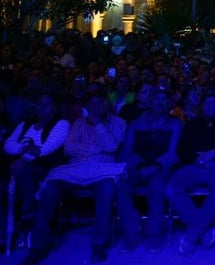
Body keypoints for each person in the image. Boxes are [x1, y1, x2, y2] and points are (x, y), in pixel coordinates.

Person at [23, 85, 127, 265]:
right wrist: (96, 149)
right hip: (75, 168)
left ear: (107, 103)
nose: (96, 106)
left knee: (108, 188)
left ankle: (99, 244)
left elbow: (111, 147)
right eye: (92, 103)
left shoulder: (119, 122)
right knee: (49, 189)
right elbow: (69, 148)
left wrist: (98, 125)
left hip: (103, 169)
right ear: (86, 105)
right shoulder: (79, 122)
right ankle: (38, 246)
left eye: (100, 102)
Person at [166, 90, 215, 256]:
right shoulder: (192, 125)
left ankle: (191, 236)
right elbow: (182, 149)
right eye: (207, 103)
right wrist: (198, 158)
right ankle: (205, 230)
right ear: (202, 107)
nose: (211, 106)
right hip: (193, 165)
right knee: (171, 188)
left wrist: (214, 153)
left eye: (214, 103)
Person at [116, 86, 183, 253]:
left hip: (163, 167)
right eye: (156, 98)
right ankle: (132, 233)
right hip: (139, 166)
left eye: (164, 99)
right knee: (122, 185)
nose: (160, 103)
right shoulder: (136, 123)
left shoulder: (175, 124)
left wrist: (154, 167)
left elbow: (173, 154)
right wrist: (137, 165)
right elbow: (126, 152)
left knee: (157, 186)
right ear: (149, 101)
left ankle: (155, 234)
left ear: (169, 103)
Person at [3, 92, 70, 237]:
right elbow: (8, 145)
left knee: (24, 170)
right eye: (39, 103)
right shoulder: (25, 124)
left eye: (47, 104)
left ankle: (28, 211)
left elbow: (48, 147)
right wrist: (24, 148)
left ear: (55, 108)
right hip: (17, 163)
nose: (41, 107)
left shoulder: (61, 123)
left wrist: (24, 158)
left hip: (44, 165)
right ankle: (5, 230)